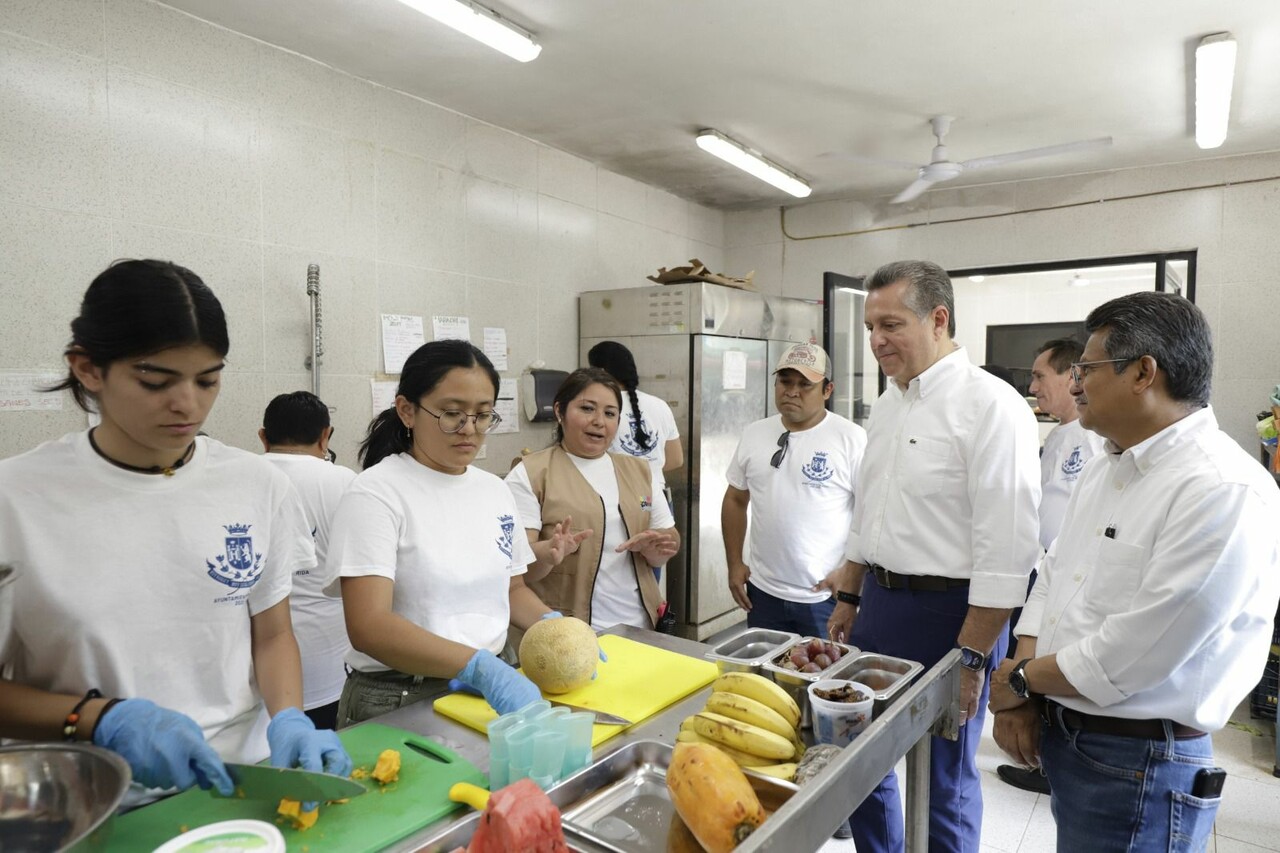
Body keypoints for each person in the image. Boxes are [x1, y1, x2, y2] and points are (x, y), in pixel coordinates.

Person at [0, 259, 350, 808]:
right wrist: (98, 717)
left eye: (207, 379)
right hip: (93, 799)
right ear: (88, 369)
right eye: (155, 381)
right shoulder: (16, 498)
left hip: (244, 780)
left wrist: (289, 718)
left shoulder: (257, 484)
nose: (188, 404)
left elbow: (272, 633)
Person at [988, 292, 1280, 852]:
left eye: (1086, 370)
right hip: (1074, 738)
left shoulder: (1222, 488)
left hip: (1143, 761)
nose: (1075, 385)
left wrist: (1019, 679)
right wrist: (1024, 691)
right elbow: (1053, 576)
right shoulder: (1108, 467)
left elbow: (1138, 652)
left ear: (1144, 372)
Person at [823, 260, 1041, 853]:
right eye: (870, 327)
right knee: (860, 756)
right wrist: (850, 595)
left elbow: (1008, 550)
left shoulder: (991, 406)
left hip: (953, 617)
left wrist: (972, 656)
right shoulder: (889, 404)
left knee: (943, 777)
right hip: (881, 604)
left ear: (938, 319)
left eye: (890, 325)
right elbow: (869, 512)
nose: (876, 341)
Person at [326, 340, 555, 726]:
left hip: (487, 685)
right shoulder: (376, 493)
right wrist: (475, 666)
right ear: (407, 410)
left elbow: (512, 589)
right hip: (402, 695)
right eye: (452, 414)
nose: (470, 429)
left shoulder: (494, 490)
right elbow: (369, 625)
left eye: (483, 415)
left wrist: (555, 627)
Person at [997, 337, 1104, 794]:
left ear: (1070, 374)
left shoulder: (1096, 438)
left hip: (1079, 578)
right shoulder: (1060, 434)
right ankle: (1043, 759)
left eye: (1040, 376)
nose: (1033, 387)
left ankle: (1048, 764)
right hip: (1047, 571)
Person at [506, 368, 680, 630]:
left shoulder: (639, 470)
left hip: (641, 627)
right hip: (568, 633)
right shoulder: (530, 474)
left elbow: (670, 537)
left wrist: (657, 549)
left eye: (610, 413)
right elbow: (519, 572)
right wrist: (548, 552)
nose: (599, 421)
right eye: (587, 409)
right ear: (559, 411)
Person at [722, 342, 867, 637]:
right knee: (767, 667)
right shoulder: (755, 433)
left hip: (824, 597)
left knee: (825, 666)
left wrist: (848, 575)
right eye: (785, 382)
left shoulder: (852, 439)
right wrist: (734, 563)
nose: (792, 391)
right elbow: (735, 499)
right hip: (762, 594)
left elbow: (872, 513)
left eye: (805, 385)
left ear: (827, 390)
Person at [258, 391, 356, 731]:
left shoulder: (246, 478)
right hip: (329, 662)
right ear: (326, 435)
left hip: (262, 671)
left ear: (263, 437)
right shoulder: (346, 482)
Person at [586, 341, 684, 488]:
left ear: (601, 371)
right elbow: (676, 460)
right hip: (655, 494)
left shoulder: (598, 407)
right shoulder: (660, 405)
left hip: (620, 494)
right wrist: (647, 470)